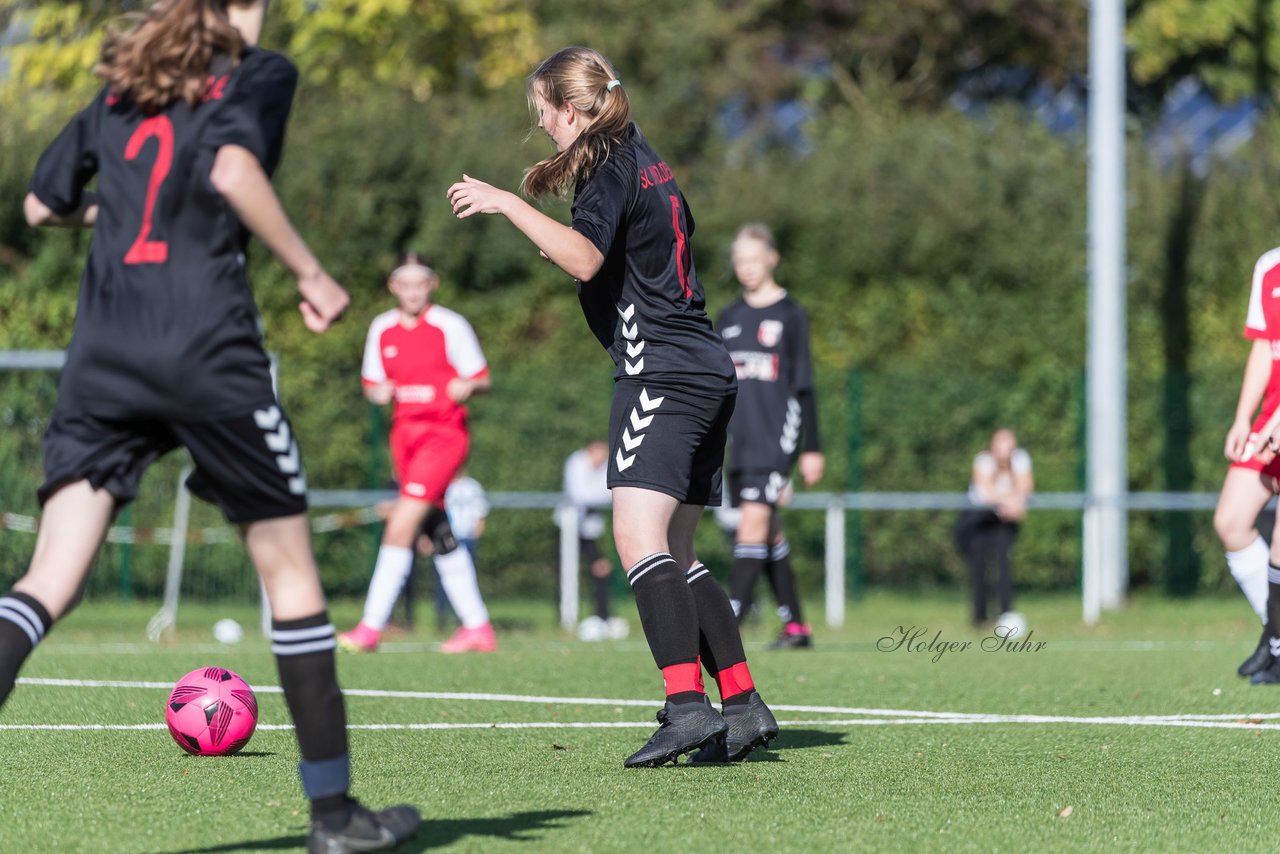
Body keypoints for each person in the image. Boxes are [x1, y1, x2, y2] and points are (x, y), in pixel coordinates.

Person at [1, 1, 419, 849]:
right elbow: (232, 172)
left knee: (46, 582)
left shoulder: (120, 90)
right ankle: (336, 818)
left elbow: (45, 210)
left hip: (104, 355)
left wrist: (117, 215)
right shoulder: (258, 73)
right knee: (290, 577)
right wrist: (312, 272)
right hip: (206, 351)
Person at [447, 46, 778, 766]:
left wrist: (507, 203)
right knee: (680, 549)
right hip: (704, 365)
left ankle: (688, 708)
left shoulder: (604, 164)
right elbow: (631, 252)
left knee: (637, 541)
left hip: (660, 372)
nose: (542, 129)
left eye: (542, 115)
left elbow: (587, 259)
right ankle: (744, 703)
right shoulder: (641, 152)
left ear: (570, 108)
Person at [339, 253, 496, 655]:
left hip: (443, 436)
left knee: (400, 524)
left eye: (419, 283)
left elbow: (481, 377)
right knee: (437, 530)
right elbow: (372, 383)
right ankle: (478, 628)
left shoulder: (450, 325)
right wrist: (377, 393)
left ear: (432, 284)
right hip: (403, 438)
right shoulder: (382, 328)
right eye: (404, 284)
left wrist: (467, 386)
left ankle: (370, 627)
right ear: (393, 287)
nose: (412, 291)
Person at [717, 223, 825, 649]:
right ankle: (796, 627)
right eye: (739, 261)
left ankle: (728, 625)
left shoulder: (790, 315)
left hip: (774, 442)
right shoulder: (727, 318)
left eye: (753, 259)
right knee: (768, 532)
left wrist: (811, 449)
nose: (746, 268)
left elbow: (804, 386)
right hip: (738, 445)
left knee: (753, 523)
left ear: (771, 259)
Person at [1215, 247, 1280, 684]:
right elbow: (1263, 346)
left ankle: (1275, 644)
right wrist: (1244, 416)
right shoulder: (1269, 265)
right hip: (1270, 416)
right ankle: (1274, 633)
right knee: (1231, 522)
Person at [957, 429, 1033, 627]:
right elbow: (986, 491)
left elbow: (1026, 486)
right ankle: (980, 618)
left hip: (1003, 519)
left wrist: (1015, 502)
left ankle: (1006, 615)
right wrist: (1011, 503)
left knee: (1004, 564)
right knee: (979, 567)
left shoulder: (1020, 460)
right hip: (979, 518)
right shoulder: (983, 461)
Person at [562, 439, 628, 641]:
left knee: (601, 570)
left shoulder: (604, 467)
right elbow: (580, 495)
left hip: (592, 530)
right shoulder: (576, 463)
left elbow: (609, 493)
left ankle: (602, 616)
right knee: (565, 573)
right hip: (569, 528)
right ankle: (565, 619)